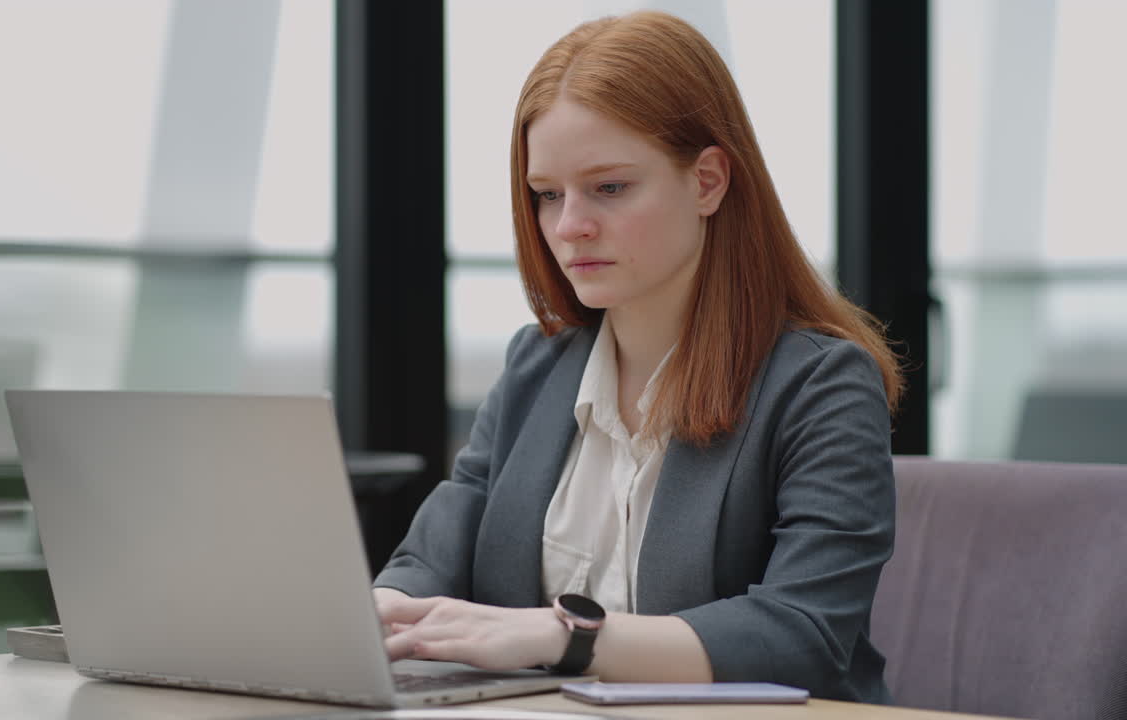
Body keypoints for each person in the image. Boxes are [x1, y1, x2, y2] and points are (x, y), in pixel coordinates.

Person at [372, 10, 903, 704]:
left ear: (708, 181)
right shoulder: (536, 367)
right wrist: (376, 613)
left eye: (610, 188)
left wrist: (564, 636)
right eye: (547, 195)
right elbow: (431, 558)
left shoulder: (820, 386)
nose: (570, 226)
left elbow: (805, 635)